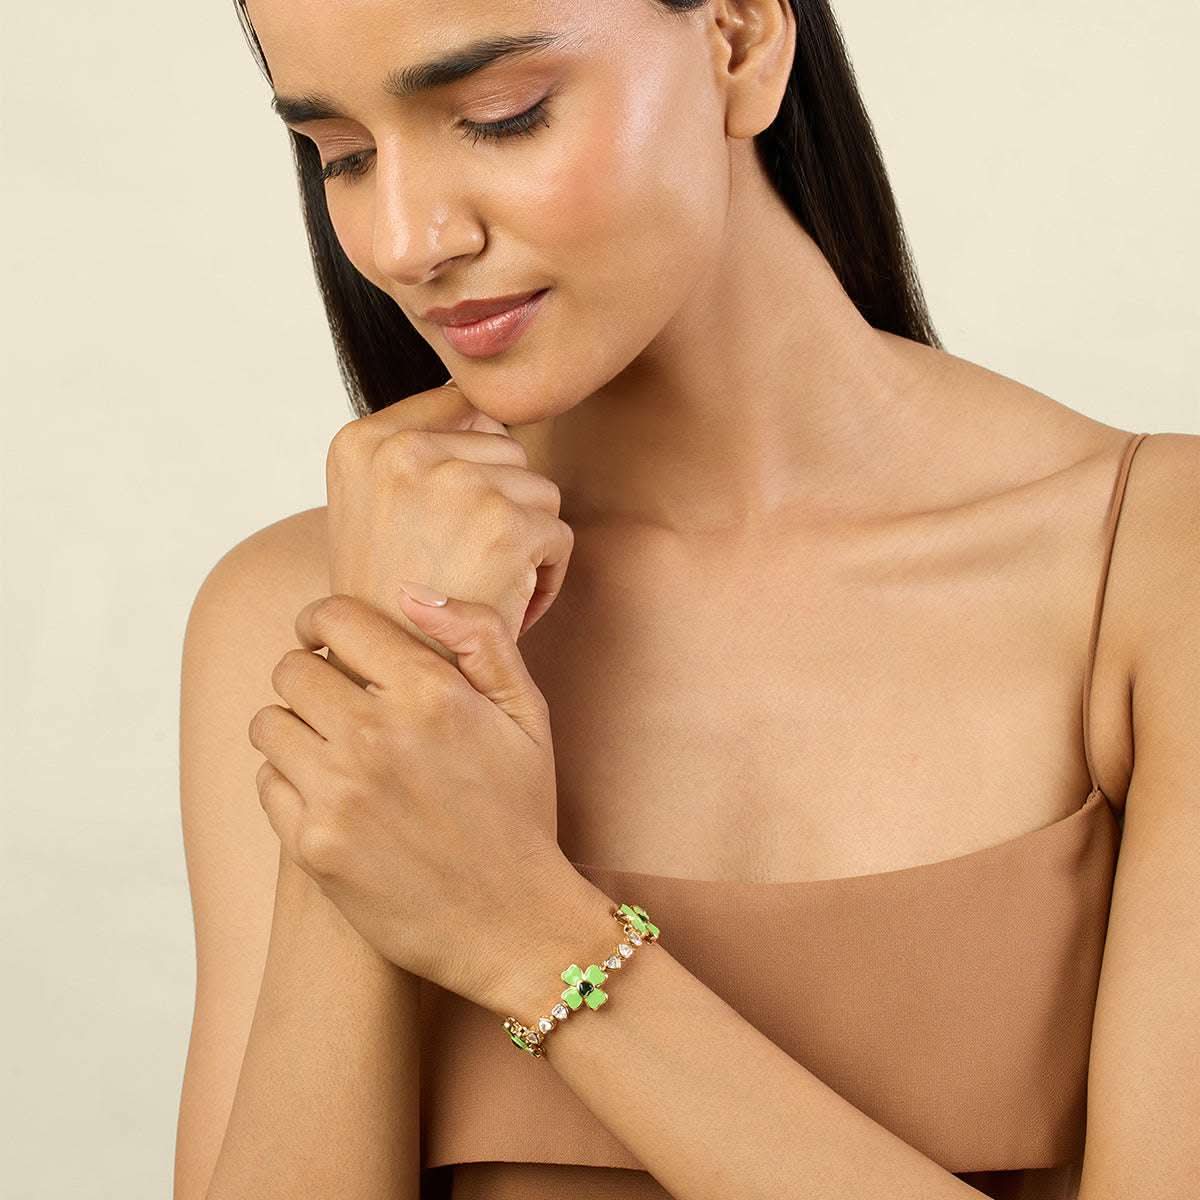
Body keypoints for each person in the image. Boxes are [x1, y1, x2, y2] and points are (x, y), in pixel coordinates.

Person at [174, 3, 1199, 1199]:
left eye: (501, 117)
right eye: (342, 156)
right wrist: (384, 700)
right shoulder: (301, 612)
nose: (405, 241)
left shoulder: (1148, 569)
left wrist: (529, 939)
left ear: (739, 39)